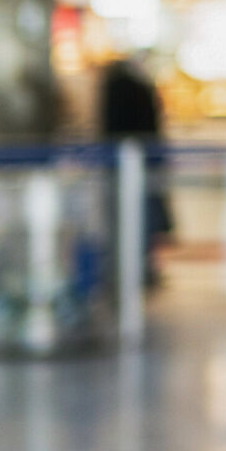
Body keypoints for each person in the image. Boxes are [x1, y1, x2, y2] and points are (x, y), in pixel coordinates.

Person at [99, 53, 170, 285]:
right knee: (140, 217)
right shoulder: (134, 87)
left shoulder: (114, 85)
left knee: (132, 217)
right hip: (138, 162)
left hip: (125, 163)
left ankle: (128, 267)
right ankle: (134, 267)